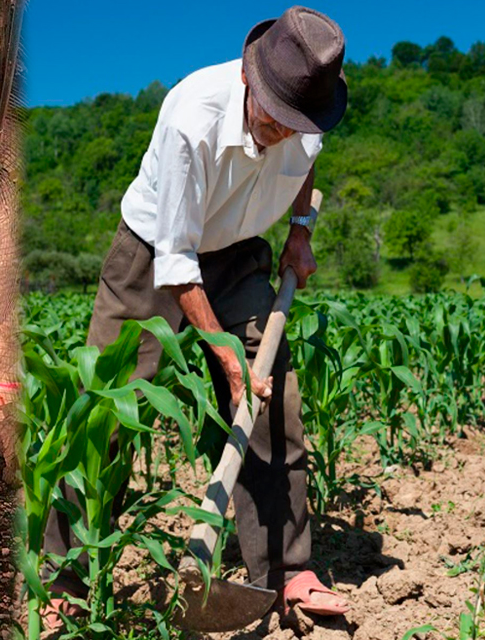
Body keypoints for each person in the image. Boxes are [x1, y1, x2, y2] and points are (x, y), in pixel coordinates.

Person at [44, 5, 350, 623]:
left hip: (239, 252)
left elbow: (307, 163)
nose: (283, 132)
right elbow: (176, 261)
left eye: (296, 124)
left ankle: (289, 572)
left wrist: (300, 231)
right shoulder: (192, 116)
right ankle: (62, 577)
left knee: (274, 398)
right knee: (106, 406)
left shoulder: (308, 116)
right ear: (249, 77)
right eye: (273, 117)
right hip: (154, 252)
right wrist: (226, 357)